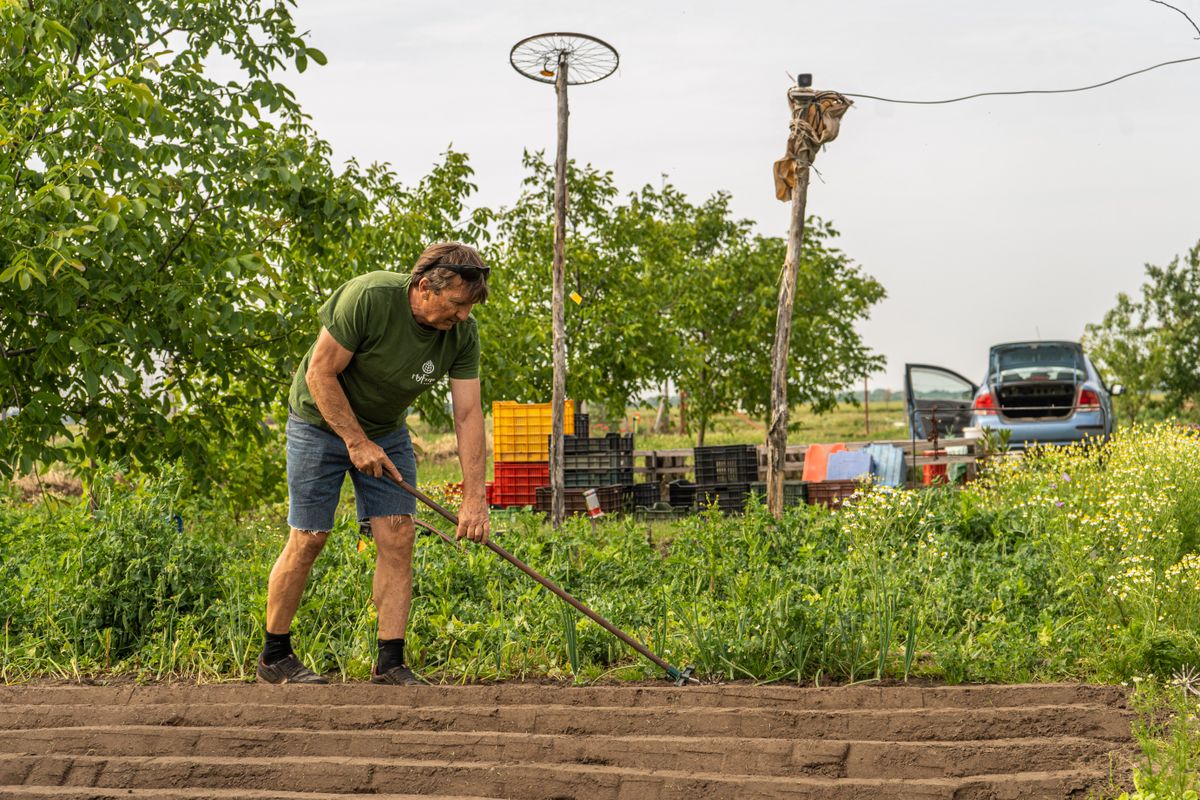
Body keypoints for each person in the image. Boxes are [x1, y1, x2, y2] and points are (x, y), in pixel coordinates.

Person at [257, 242, 491, 685]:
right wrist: (354, 441)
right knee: (309, 537)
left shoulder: (463, 333)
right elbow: (319, 374)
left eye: (469, 307)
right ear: (424, 287)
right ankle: (274, 656)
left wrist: (474, 499)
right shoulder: (369, 298)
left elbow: (467, 414)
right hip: (319, 421)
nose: (463, 316)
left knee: (398, 534)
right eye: (458, 304)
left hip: (385, 430)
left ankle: (390, 663)